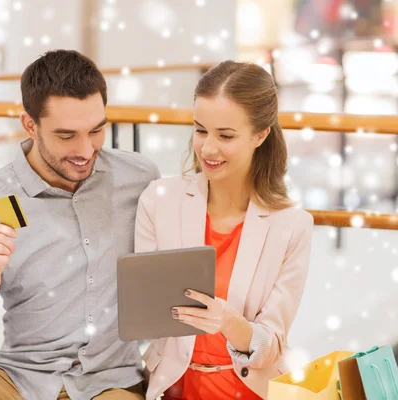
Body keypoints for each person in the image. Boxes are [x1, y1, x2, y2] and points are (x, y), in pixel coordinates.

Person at [0, 49, 160, 400]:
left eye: (96, 130)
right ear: (30, 124)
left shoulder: (139, 178)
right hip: (21, 378)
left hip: (110, 381)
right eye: (67, 136)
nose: (86, 149)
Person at [134, 60, 313, 400]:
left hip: (249, 389)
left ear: (260, 134)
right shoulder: (159, 200)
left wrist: (231, 324)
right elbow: (145, 310)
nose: (208, 148)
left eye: (226, 135)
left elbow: (271, 345)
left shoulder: (292, 226)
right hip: (172, 387)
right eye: (201, 130)